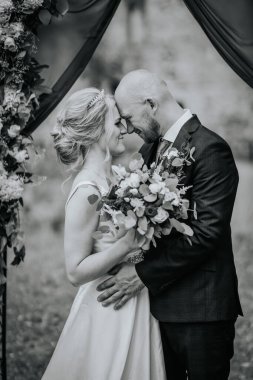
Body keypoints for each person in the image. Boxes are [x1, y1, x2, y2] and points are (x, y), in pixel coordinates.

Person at [97, 70, 243, 380]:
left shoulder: (210, 149)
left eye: (128, 117)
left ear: (150, 104)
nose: (127, 127)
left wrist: (141, 275)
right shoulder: (150, 150)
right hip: (158, 308)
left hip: (201, 308)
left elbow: (206, 235)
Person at [41, 88, 166, 380]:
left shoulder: (112, 179)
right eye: (115, 122)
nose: (123, 129)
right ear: (96, 130)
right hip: (107, 308)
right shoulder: (87, 191)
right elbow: (75, 271)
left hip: (134, 297)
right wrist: (125, 246)